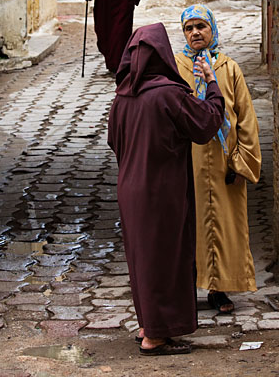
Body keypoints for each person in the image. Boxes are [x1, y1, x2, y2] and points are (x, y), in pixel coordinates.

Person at [108, 23, 225, 356]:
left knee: (143, 259)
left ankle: (149, 323)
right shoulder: (168, 95)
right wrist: (211, 82)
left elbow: (114, 142)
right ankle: (156, 336)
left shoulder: (122, 98)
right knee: (166, 260)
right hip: (162, 192)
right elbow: (205, 124)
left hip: (130, 189)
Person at [174, 4, 261, 315]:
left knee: (225, 225)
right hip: (189, 164)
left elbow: (246, 119)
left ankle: (219, 287)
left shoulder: (229, 68)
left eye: (201, 26)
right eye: (189, 28)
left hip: (225, 162)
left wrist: (242, 162)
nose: (196, 32)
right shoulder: (176, 67)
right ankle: (186, 288)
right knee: (188, 225)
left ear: (212, 30)